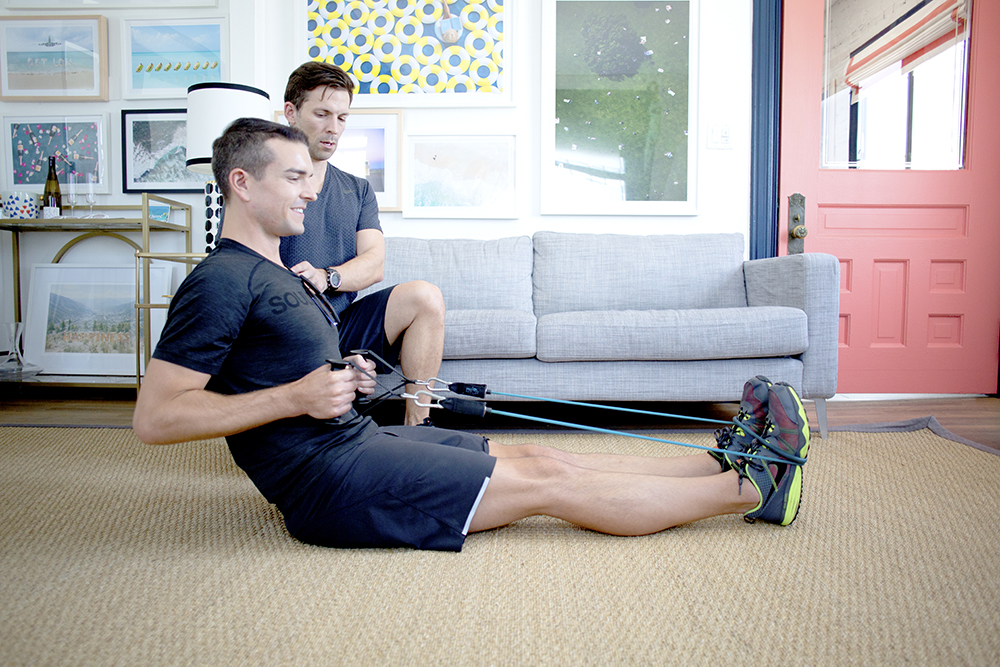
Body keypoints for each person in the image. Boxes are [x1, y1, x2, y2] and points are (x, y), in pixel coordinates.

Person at [132, 117, 811, 553]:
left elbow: (287, 371)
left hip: (356, 441)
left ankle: (720, 463)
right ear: (241, 183)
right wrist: (298, 398)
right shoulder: (220, 279)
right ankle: (754, 490)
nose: (310, 192)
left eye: (311, 178)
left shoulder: (281, 272)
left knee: (539, 456)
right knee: (547, 483)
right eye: (294, 178)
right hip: (328, 483)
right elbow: (157, 417)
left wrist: (347, 380)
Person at [279, 61, 445, 426]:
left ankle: (418, 428)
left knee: (425, 296)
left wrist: (328, 277)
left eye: (341, 117)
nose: (332, 127)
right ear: (291, 112)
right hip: (288, 329)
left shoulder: (357, 190)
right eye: (321, 113)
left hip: (343, 322)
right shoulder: (268, 183)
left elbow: (374, 263)